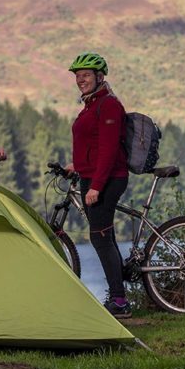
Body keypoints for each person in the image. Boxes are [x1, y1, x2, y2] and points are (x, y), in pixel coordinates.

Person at [65, 52, 133, 319]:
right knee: (105, 236)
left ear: (100, 77)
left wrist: (96, 186)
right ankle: (118, 296)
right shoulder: (91, 105)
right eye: (78, 76)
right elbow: (91, 145)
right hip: (91, 176)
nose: (81, 80)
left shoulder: (109, 106)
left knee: (99, 237)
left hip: (108, 179)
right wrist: (78, 167)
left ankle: (119, 301)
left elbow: (108, 149)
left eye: (86, 75)